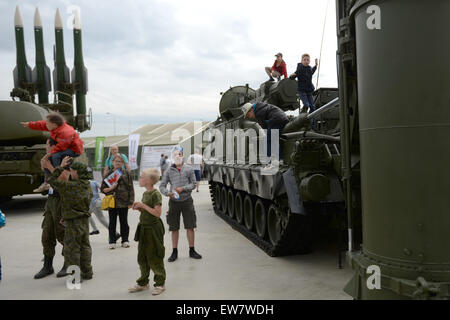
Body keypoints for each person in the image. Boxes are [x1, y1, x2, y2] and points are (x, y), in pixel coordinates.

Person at [43, 156, 94, 281]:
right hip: (84, 221)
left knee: (72, 250)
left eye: (72, 170)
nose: (70, 173)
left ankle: (75, 277)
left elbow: (51, 179)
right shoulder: (87, 185)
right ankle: (87, 272)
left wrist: (60, 167)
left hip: (73, 222)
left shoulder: (69, 186)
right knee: (85, 247)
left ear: (76, 172)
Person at [20, 113, 84, 193]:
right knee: (49, 158)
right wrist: (29, 124)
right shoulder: (54, 126)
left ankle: (57, 177)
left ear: (54, 124)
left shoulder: (66, 132)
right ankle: (46, 182)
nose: (46, 125)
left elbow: (62, 146)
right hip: (65, 146)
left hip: (74, 150)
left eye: (48, 123)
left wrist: (48, 154)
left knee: (55, 156)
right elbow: (41, 124)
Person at [160, 146, 202, 262]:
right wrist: (168, 193)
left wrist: (182, 188)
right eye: (175, 155)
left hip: (187, 201)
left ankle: (192, 250)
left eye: (179, 154)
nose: (177, 156)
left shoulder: (189, 169)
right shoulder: (169, 170)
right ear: (172, 157)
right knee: (174, 227)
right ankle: (174, 252)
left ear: (182, 155)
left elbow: (193, 184)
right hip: (173, 202)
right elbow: (162, 185)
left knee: (190, 226)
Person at [34, 138, 68, 279]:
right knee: (47, 233)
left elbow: (64, 179)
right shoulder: (50, 158)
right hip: (51, 200)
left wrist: (51, 164)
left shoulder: (65, 158)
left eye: (47, 145)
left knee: (63, 233)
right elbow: (44, 168)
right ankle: (48, 265)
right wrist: (46, 160)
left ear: (53, 146)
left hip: (62, 200)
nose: (45, 147)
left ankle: (69, 263)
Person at [129, 168, 166, 295]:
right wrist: (140, 208)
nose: (139, 179)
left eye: (141, 177)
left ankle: (160, 283)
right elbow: (148, 211)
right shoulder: (145, 194)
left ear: (149, 180)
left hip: (153, 230)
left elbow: (157, 213)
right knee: (142, 257)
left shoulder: (156, 194)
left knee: (155, 256)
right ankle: (143, 282)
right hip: (144, 228)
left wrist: (143, 206)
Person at [101, 155, 135, 249]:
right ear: (112, 162)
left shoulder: (127, 174)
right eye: (116, 161)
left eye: (120, 161)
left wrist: (131, 201)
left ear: (123, 163)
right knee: (112, 223)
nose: (118, 163)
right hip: (112, 201)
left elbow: (131, 188)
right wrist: (111, 188)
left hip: (124, 202)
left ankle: (125, 240)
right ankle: (112, 241)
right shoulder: (108, 174)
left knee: (124, 222)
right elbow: (103, 189)